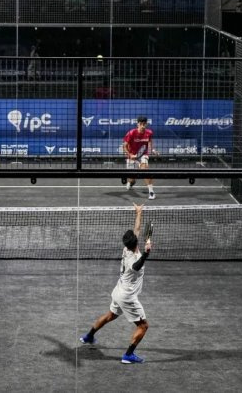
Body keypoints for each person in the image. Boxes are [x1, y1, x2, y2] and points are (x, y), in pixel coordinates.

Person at [79, 203, 152, 364]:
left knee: (110, 315)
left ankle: (88, 336)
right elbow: (136, 266)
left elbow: (137, 230)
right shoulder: (135, 259)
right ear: (136, 243)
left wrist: (138, 213)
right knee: (143, 326)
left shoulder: (127, 249)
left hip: (118, 291)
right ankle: (128, 355)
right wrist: (146, 254)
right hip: (127, 296)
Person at [122, 116, 157, 200]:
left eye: (144, 124)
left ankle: (151, 192)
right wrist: (130, 155)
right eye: (141, 124)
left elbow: (149, 142)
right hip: (132, 156)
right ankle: (131, 182)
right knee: (132, 178)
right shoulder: (131, 133)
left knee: (145, 170)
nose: (142, 125)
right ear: (137, 124)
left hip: (143, 154)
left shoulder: (149, 133)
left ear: (146, 124)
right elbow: (124, 146)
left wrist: (152, 150)